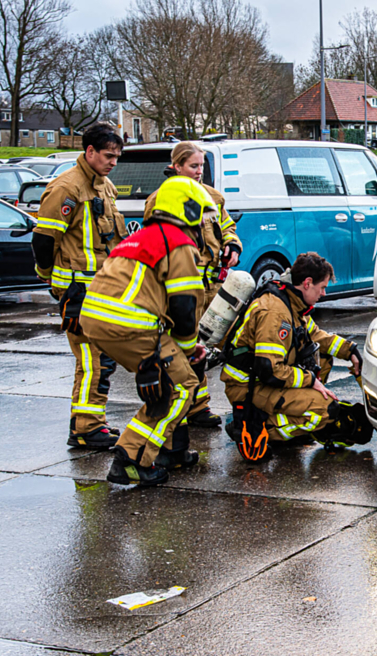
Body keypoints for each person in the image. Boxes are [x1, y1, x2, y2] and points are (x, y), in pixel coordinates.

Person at [80, 176, 216, 486]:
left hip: (98, 320)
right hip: (130, 323)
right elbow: (184, 306)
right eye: (204, 218)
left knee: (165, 385)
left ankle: (168, 451)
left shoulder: (142, 236)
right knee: (182, 386)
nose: (204, 226)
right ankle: (130, 459)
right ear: (190, 210)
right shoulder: (178, 243)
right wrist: (188, 346)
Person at [31, 122, 127, 449]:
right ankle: (86, 428)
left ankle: (89, 423)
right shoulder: (67, 188)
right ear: (89, 152)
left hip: (102, 289)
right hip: (78, 292)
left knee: (102, 358)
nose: (113, 161)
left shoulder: (105, 187)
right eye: (108, 155)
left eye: (117, 156)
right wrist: (47, 273)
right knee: (92, 358)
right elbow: (44, 238)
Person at [221, 252, 369, 456]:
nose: (324, 294)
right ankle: (255, 427)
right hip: (248, 386)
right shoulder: (275, 313)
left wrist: (349, 350)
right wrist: (310, 381)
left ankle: (292, 418)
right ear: (307, 283)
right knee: (323, 411)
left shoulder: (291, 301)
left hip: (262, 380)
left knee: (323, 355)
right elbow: (269, 370)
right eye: (322, 287)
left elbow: (314, 335)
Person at [143, 141, 242, 429]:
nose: (199, 172)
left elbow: (227, 228)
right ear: (176, 166)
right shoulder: (159, 199)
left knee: (209, 349)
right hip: (181, 288)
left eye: (202, 166)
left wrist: (233, 246)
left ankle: (199, 406)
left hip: (211, 287)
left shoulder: (212, 197)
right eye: (192, 166)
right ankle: (190, 407)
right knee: (185, 348)